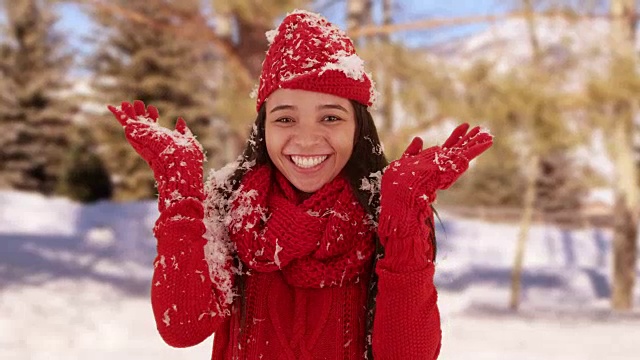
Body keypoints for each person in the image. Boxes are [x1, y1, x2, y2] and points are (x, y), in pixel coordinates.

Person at [108, 9, 492, 360]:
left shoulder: (386, 215)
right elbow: (183, 328)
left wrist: (406, 216)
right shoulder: (230, 206)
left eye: (330, 118)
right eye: (285, 119)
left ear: (359, 128)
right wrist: (180, 188)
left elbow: (407, 355)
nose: (306, 140)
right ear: (263, 129)